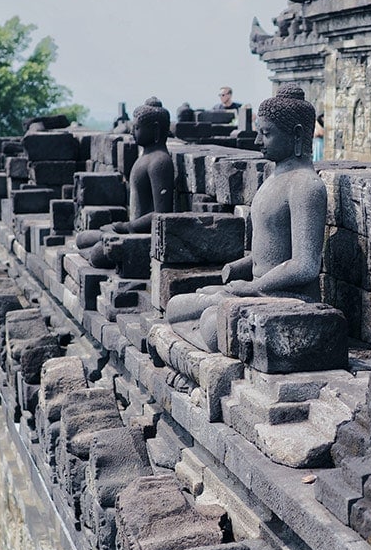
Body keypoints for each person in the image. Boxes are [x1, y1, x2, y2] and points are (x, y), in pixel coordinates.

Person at [167, 84, 326, 351]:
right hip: (261, 289)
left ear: (296, 135)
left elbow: (306, 265)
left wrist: (253, 288)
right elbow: (272, 246)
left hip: (291, 297)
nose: (257, 142)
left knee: (209, 321)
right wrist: (241, 266)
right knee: (180, 304)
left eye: (266, 134)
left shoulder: (306, 186)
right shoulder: (273, 178)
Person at [76, 97, 174, 267]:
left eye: (136, 128)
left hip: (145, 236)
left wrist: (127, 227)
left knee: (97, 254)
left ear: (155, 129)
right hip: (131, 231)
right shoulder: (146, 157)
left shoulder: (160, 162)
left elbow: (162, 214)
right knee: (81, 239)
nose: (131, 132)